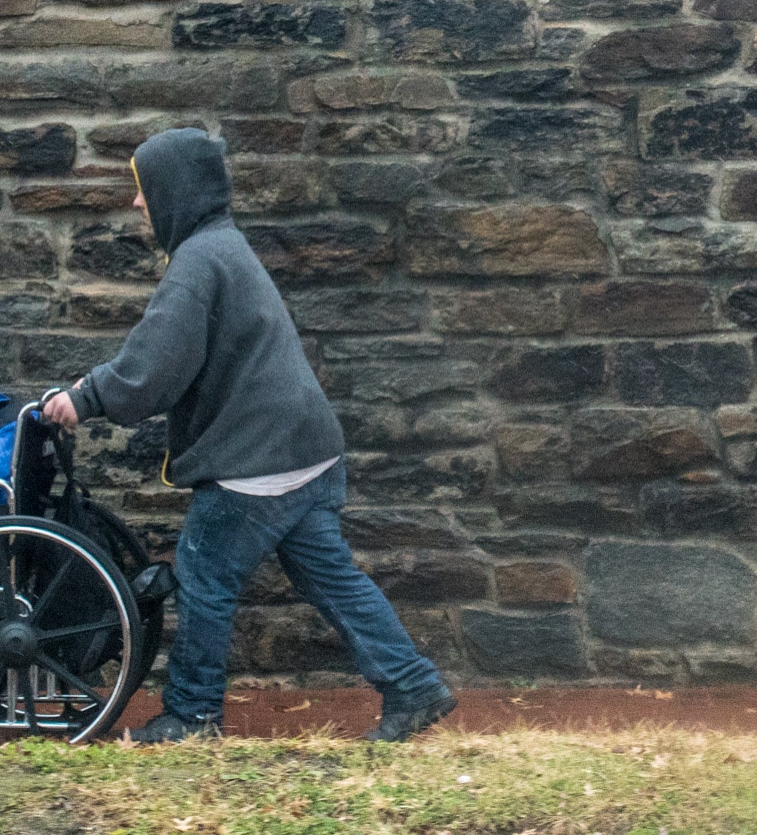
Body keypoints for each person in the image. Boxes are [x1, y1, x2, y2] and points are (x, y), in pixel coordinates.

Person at [41, 128, 455, 744]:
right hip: (306, 448)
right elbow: (173, 356)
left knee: (203, 576)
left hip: (261, 459)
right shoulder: (221, 247)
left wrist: (85, 398)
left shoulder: (197, 263)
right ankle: (413, 685)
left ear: (175, 190)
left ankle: (192, 716)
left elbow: (156, 365)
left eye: (144, 187)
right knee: (330, 577)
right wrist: (97, 386)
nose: (137, 202)